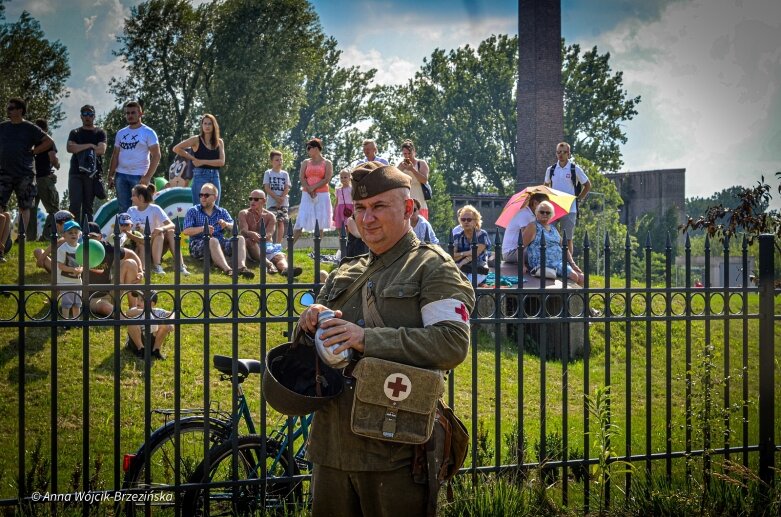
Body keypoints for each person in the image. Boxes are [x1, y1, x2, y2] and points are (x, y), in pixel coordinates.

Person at [296, 161, 475, 516]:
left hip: (395, 452)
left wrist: (367, 339)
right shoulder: (345, 271)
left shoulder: (432, 267)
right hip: (331, 448)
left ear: (409, 209)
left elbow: (451, 344)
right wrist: (307, 325)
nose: (368, 217)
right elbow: (309, 354)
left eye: (379, 206)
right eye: (360, 208)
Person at [0, 97, 54, 260]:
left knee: (25, 207)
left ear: (20, 110)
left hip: (25, 173)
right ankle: (3, 242)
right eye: (8, 108)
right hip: (3, 172)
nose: (8, 110)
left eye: (12, 108)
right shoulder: (2, 127)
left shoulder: (30, 128)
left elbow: (49, 142)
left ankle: (21, 238)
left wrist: (33, 152)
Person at [182, 183, 254, 278]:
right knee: (212, 240)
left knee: (240, 238)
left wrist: (226, 224)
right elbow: (186, 231)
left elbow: (235, 228)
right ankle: (227, 269)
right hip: (198, 245)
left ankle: (241, 268)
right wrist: (203, 229)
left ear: (215, 197)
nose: (203, 197)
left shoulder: (222, 211)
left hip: (221, 242)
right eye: (201, 195)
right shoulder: (193, 211)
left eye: (206, 195)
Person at [108, 100, 161, 213]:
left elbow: (156, 155)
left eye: (133, 113)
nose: (130, 115)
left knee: (142, 207)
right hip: (121, 175)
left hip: (139, 176)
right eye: (127, 113)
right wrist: (111, 175)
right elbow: (115, 154)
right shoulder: (121, 133)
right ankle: (125, 231)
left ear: (140, 114)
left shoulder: (148, 132)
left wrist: (147, 177)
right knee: (123, 208)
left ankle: (142, 230)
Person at [125, 183, 189, 275]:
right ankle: (156, 265)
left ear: (141, 198)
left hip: (156, 244)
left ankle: (180, 266)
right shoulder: (131, 210)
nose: (131, 198)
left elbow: (171, 225)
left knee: (169, 232)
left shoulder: (155, 209)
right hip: (140, 246)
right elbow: (126, 229)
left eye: (133, 195)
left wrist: (161, 228)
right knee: (159, 234)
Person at [238, 189, 301, 277]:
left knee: (279, 257)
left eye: (256, 199)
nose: (252, 201)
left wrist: (261, 238)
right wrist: (251, 234)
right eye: (250, 198)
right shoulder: (244, 213)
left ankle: (286, 270)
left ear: (264, 201)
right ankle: (269, 264)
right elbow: (243, 231)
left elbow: (269, 234)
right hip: (251, 246)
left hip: (266, 245)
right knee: (249, 241)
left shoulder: (270, 216)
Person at [543, 142, 591, 256]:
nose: (561, 154)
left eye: (564, 152)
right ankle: (551, 259)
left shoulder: (575, 169)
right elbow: (545, 186)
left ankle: (568, 264)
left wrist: (579, 198)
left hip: (569, 208)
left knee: (568, 238)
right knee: (549, 235)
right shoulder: (551, 169)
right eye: (558, 152)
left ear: (569, 154)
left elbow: (587, 185)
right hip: (553, 207)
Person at [522, 201, 584, 286]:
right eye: (542, 212)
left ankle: (579, 299)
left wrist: (573, 264)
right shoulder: (532, 226)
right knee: (574, 276)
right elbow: (520, 247)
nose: (545, 214)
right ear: (536, 213)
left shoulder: (553, 228)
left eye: (548, 213)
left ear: (551, 215)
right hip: (543, 262)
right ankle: (567, 298)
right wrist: (522, 265)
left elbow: (564, 246)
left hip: (559, 262)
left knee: (582, 278)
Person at [172, 113, 225, 205]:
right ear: (202, 125)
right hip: (200, 175)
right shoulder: (196, 140)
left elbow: (221, 162)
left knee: (215, 208)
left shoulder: (219, 142)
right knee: (199, 207)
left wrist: (202, 161)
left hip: (215, 176)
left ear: (214, 125)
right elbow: (176, 148)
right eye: (205, 123)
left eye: (209, 123)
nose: (207, 126)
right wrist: (192, 158)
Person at [67, 104, 107, 224]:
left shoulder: (100, 132)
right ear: (81, 116)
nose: (87, 117)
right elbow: (70, 148)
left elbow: (101, 150)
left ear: (94, 116)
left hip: (92, 174)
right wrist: (89, 145)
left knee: (88, 206)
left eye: (90, 114)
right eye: (85, 114)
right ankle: (72, 231)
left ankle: (88, 233)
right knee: (74, 204)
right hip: (75, 172)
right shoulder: (75, 132)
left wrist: (79, 147)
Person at [292, 138, 333, 244]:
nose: (307, 150)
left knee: (320, 221)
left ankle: (317, 250)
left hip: (322, 194)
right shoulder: (306, 162)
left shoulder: (327, 162)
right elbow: (301, 177)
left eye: (309, 148)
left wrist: (313, 187)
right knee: (301, 218)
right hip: (307, 194)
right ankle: (289, 247)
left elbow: (327, 178)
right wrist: (308, 189)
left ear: (316, 148)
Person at [26, 119, 60, 241]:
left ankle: (30, 237)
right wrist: (57, 165)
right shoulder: (48, 142)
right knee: (53, 209)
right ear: (45, 130)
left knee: (31, 209)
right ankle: (46, 236)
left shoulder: (31, 144)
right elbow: (52, 158)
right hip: (45, 179)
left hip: (31, 179)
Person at [502, 192, 549, 264]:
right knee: (545, 253)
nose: (547, 207)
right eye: (544, 204)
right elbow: (527, 239)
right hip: (511, 252)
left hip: (519, 250)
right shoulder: (525, 214)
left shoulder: (531, 215)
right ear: (535, 203)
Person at [125, 290, 173, 360]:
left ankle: (156, 350)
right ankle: (141, 350)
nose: (138, 302)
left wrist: (171, 323)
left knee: (164, 324)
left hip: (152, 341)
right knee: (132, 322)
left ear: (151, 304)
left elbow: (172, 314)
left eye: (141, 300)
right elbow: (128, 313)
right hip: (135, 343)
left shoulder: (156, 312)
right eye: (137, 299)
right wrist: (145, 311)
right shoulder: (136, 311)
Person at [452, 204, 491, 274]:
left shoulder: (482, 235)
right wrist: (466, 253)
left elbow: (475, 254)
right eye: (463, 219)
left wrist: (460, 261)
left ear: (476, 221)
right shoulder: (457, 236)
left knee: (470, 283)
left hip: (478, 269)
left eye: (469, 219)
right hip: (460, 269)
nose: (466, 222)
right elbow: (452, 256)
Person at [396, 139, 430, 220]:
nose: (407, 156)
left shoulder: (421, 163)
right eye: (405, 154)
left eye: (409, 153)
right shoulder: (401, 165)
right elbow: (394, 180)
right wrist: (400, 169)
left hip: (419, 200)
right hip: (406, 200)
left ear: (414, 152)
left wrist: (412, 169)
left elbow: (424, 180)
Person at [262, 149, 291, 243]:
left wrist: (281, 198)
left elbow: (287, 187)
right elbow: (267, 188)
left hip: (283, 203)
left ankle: (278, 244)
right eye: (277, 160)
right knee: (272, 222)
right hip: (271, 203)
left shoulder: (285, 174)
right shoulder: (268, 173)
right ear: (271, 161)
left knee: (281, 221)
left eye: (281, 160)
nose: (280, 162)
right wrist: (276, 198)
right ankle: (271, 243)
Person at [57, 220, 84, 320]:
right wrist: (72, 269)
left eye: (75, 232)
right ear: (64, 235)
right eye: (70, 232)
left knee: (77, 303)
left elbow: (82, 263)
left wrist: (80, 269)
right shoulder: (62, 249)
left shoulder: (80, 248)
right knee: (66, 303)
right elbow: (61, 266)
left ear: (79, 234)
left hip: (77, 281)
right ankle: (66, 321)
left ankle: (76, 321)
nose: (73, 234)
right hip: (65, 282)